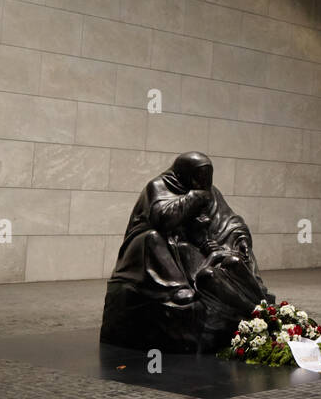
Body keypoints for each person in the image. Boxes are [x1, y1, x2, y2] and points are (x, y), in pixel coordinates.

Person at [101, 151, 278, 352]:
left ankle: (259, 305)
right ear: (184, 173)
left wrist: (240, 239)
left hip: (199, 248)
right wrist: (194, 198)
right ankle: (176, 288)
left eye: (207, 178)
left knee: (236, 251)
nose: (203, 183)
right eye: (199, 177)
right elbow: (162, 219)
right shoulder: (159, 186)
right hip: (156, 250)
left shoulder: (210, 191)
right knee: (151, 238)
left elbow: (229, 221)